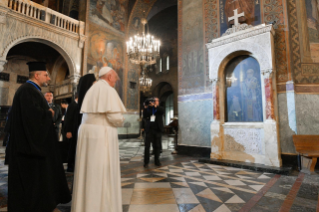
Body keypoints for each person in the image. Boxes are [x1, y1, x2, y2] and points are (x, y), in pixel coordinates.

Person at [7, 62, 71, 212]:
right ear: (36, 75)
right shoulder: (28, 91)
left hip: (31, 148)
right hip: (29, 150)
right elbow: (32, 119)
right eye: (46, 75)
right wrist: (48, 113)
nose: (48, 78)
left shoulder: (31, 90)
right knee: (31, 182)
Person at [71, 67, 126, 212]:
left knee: (88, 175)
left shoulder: (92, 89)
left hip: (88, 134)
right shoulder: (107, 90)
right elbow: (115, 118)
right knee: (100, 175)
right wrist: (122, 119)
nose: (117, 79)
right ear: (108, 76)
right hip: (100, 137)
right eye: (115, 77)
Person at [143, 97, 164, 167]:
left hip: (157, 130)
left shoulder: (159, 108)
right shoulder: (148, 109)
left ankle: (157, 161)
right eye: (153, 101)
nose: (154, 102)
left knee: (157, 146)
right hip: (149, 130)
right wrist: (145, 107)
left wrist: (155, 106)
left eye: (155, 101)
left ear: (158, 102)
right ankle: (146, 162)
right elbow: (144, 116)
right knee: (147, 146)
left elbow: (162, 111)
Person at [62, 94, 79, 172]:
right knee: (71, 149)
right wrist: (68, 131)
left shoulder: (76, 105)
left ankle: (72, 165)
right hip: (71, 131)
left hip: (74, 131)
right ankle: (70, 166)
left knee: (73, 149)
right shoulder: (73, 105)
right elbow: (68, 119)